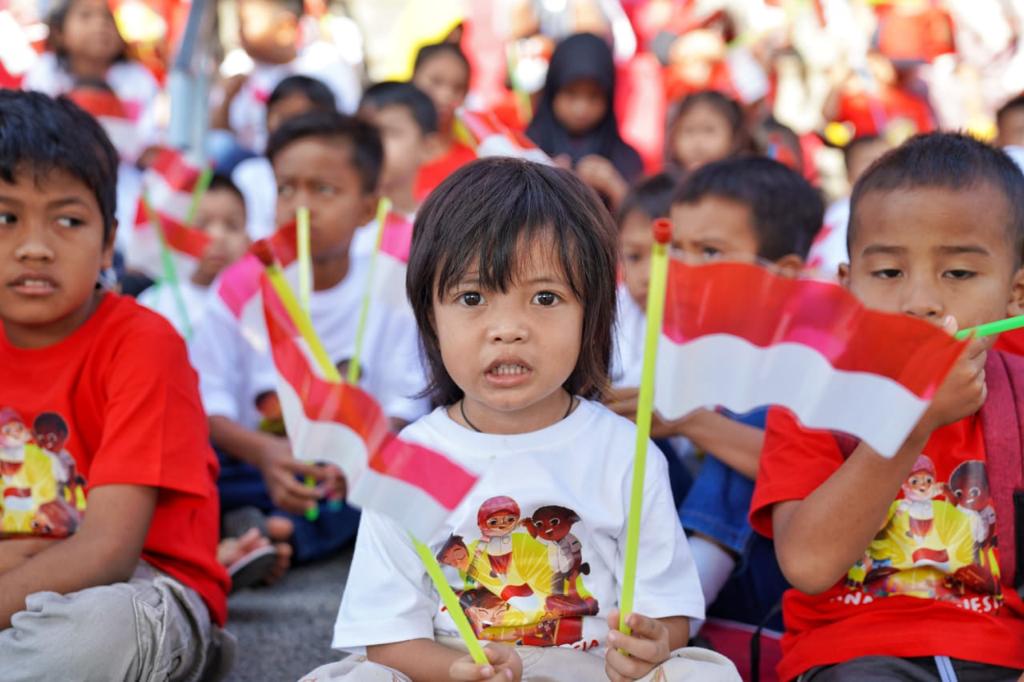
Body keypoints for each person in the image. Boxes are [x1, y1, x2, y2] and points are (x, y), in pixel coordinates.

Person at [304, 158, 739, 682]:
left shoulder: (626, 450)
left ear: (593, 315)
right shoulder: (405, 461)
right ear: (430, 319)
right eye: (472, 298)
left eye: (545, 297)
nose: (508, 329)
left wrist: (651, 644)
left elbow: (667, 614)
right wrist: (458, 669)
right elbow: (388, 636)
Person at [750, 132, 1024, 680]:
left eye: (959, 273)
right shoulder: (811, 399)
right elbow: (807, 564)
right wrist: (913, 423)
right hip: (854, 654)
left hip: (1000, 653)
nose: (919, 301)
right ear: (848, 288)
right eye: (888, 273)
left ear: (1016, 297)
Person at [0, 91, 230, 679]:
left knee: (94, 635)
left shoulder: (142, 342)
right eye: (6, 217)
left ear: (108, 243)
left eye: (68, 220)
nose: (33, 246)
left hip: (135, 586)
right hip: (15, 589)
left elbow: (108, 549)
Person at [189, 111, 428, 570]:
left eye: (324, 190)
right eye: (286, 188)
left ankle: (267, 539)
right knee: (195, 474)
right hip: (253, 462)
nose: (301, 206)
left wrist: (353, 459)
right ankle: (264, 533)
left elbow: (407, 402)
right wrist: (265, 452)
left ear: (366, 208)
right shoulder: (242, 287)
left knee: (385, 485)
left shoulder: (393, 286)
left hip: (352, 465)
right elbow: (209, 399)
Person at [608, 172, 695, 506]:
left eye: (665, 255)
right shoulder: (614, 308)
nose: (646, 275)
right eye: (633, 257)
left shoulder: (706, 326)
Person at [211, 0, 360, 167]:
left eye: (245, 22)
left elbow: (344, 128)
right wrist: (227, 99)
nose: (236, 35)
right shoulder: (238, 66)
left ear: (285, 27)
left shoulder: (325, 63)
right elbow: (219, 134)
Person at [23, 0, 161, 167]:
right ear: (59, 32)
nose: (101, 24)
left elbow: (150, 142)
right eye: (85, 15)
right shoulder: (45, 71)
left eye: (110, 18)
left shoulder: (138, 79)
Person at [526, 33, 644, 209]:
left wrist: (614, 187)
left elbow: (642, 229)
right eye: (571, 94)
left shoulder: (625, 159)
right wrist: (543, 179)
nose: (581, 108)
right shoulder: (524, 150)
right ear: (552, 92)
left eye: (593, 96)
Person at [138, 174, 251, 336]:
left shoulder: (256, 304)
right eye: (201, 225)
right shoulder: (155, 304)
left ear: (249, 238)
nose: (217, 236)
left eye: (232, 226)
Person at [232, 74, 337, 240]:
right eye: (284, 118)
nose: (293, 128)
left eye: (305, 120)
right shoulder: (249, 175)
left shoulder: (337, 178)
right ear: (267, 119)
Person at [806, 135, 891, 279]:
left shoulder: (842, 209)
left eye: (890, 161)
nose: (882, 169)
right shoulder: (854, 213)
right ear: (849, 173)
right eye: (869, 161)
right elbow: (832, 274)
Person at [358, 81, 438, 217]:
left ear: (427, 148)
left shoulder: (434, 225)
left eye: (389, 132)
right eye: (364, 131)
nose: (373, 142)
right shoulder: (338, 225)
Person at [410, 41, 476, 202]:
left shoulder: (476, 157)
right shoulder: (387, 150)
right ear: (413, 79)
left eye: (458, 88)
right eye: (436, 81)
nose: (446, 95)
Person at [663, 90, 746, 176]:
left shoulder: (743, 184)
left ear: (734, 138)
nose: (698, 142)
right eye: (689, 131)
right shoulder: (666, 185)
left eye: (709, 130)